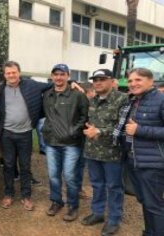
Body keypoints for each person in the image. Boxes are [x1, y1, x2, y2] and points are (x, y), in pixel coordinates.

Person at [114, 68, 164, 236]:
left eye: (138, 80)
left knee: (154, 204)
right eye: (130, 81)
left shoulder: (161, 100)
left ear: (151, 80)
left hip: (152, 163)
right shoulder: (134, 100)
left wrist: (140, 130)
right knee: (145, 201)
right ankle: (150, 231)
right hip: (133, 160)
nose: (133, 83)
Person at [0, 61, 53, 211]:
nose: (11, 75)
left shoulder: (32, 85)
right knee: (8, 165)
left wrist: (73, 83)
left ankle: (26, 196)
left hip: (25, 133)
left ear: (19, 72)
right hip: (7, 134)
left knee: (25, 165)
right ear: (4, 75)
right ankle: (8, 194)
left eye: (14, 72)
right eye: (8, 73)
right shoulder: (0, 89)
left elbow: (52, 85)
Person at [81, 69, 127, 236]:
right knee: (97, 184)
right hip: (92, 151)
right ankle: (98, 213)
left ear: (111, 81)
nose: (98, 82)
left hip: (112, 153)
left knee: (114, 186)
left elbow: (123, 127)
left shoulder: (122, 99)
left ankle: (114, 219)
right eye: (95, 80)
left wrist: (100, 131)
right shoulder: (92, 100)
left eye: (102, 79)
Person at [42, 64, 89, 222]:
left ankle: (73, 205)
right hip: (51, 142)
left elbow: (84, 116)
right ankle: (56, 201)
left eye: (62, 74)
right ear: (52, 76)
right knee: (53, 175)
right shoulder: (47, 95)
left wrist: (73, 130)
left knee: (69, 176)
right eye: (56, 74)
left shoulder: (77, 95)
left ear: (68, 76)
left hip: (71, 143)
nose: (59, 77)